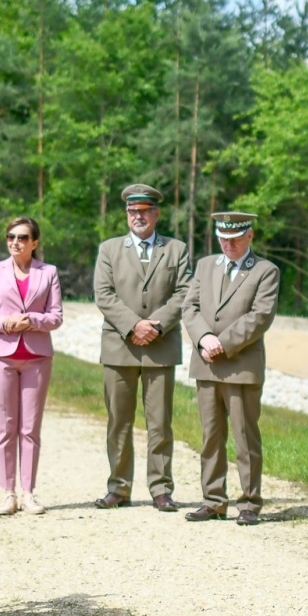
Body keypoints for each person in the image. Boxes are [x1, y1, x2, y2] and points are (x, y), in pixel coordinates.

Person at [91, 184, 191, 512]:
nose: (139, 217)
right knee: (119, 420)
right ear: (126, 214)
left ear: (156, 214)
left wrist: (156, 325)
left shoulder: (176, 249)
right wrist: (134, 325)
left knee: (160, 422)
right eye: (134, 212)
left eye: (145, 211)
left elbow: (185, 292)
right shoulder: (109, 250)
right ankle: (118, 488)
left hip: (160, 348)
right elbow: (104, 294)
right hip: (120, 347)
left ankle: (161, 489)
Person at [180, 211, 279, 524]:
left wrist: (222, 341)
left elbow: (260, 316)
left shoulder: (265, 271)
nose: (229, 244)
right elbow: (190, 307)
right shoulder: (205, 265)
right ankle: (213, 500)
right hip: (206, 363)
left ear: (250, 236)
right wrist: (203, 338)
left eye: (235, 239)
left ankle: (249, 503)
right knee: (211, 435)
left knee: (245, 437)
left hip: (241, 365)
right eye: (223, 238)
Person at [0, 216, 63, 517]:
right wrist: (5, 323)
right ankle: (7, 492)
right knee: (5, 428)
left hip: (37, 357)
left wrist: (32, 321)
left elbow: (56, 316)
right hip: (1, 356)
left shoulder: (48, 273)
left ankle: (29, 492)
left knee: (30, 428)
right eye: (11, 236)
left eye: (23, 237)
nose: (16, 242)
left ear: (34, 243)